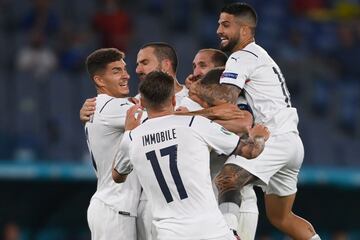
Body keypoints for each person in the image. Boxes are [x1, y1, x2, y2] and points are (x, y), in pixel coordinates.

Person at [202, 3, 320, 239]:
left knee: (227, 178)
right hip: (291, 142)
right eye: (218, 24)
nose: (218, 30)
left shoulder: (241, 56)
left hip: (272, 137)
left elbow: (226, 98)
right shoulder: (260, 55)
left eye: (226, 25)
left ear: (245, 30)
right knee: (281, 217)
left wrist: (195, 94)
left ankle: (228, 234)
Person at [112, 71, 270, 240]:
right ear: (173, 100)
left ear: (142, 103)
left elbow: (118, 176)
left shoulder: (132, 137)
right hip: (212, 231)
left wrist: (128, 131)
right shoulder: (195, 123)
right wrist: (259, 136)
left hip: (169, 234)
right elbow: (250, 152)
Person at [181, 50, 260, 239]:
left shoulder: (240, 99)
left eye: (203, 65)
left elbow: (243, 124)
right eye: (194, 66)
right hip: (203, 205)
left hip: (239, 204)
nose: (197, 72)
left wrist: (190, 120)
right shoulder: (188, 101)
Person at [84, 48, 141, 240]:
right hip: (115, 206)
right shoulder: (112, 106)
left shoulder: (100, 106)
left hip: (111, 205)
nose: (126, 76)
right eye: (116, 71)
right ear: (99, 80)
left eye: (124, 69)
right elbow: (163, 118)